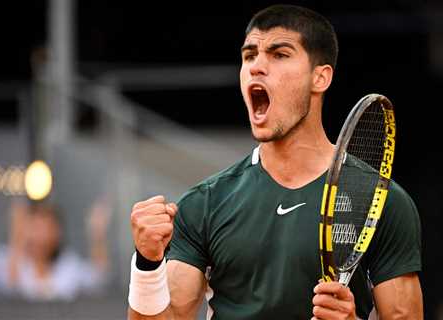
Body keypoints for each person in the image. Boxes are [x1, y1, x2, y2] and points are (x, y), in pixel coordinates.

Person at [127, 4, 423, 319]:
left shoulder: (381, 201)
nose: (257, 66)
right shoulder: (204, 203)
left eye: (279, 54)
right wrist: (147, 263)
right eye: (249, 55)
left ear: (320, 77)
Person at [0, 198, 110, 301]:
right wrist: (16, 239)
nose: (41, 236)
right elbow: (8, 287)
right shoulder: (6, 260)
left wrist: (97, 235)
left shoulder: (68, 267)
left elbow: (97, 278)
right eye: (35, 228)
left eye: (47, 228)